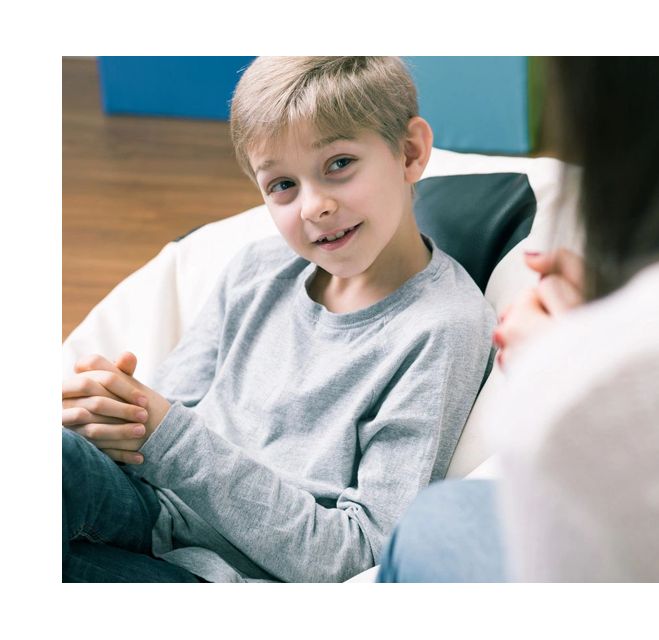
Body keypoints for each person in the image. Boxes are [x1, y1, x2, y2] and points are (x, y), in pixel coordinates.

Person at [62, 57, 497, 583]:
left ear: (410, 152)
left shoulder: (442, 327)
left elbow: (359, 558)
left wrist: (164, 433)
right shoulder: (257, 268)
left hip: (243, 581)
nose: (315, 205)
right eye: (283, 185)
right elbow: (171, 421)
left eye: (339, 164)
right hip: (151, 510)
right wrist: (117, 419)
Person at [377, 56, 659, 584]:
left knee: (432, 528)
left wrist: (566, 371)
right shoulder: (252, 274)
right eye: (281, 185)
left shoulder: (453, 322)